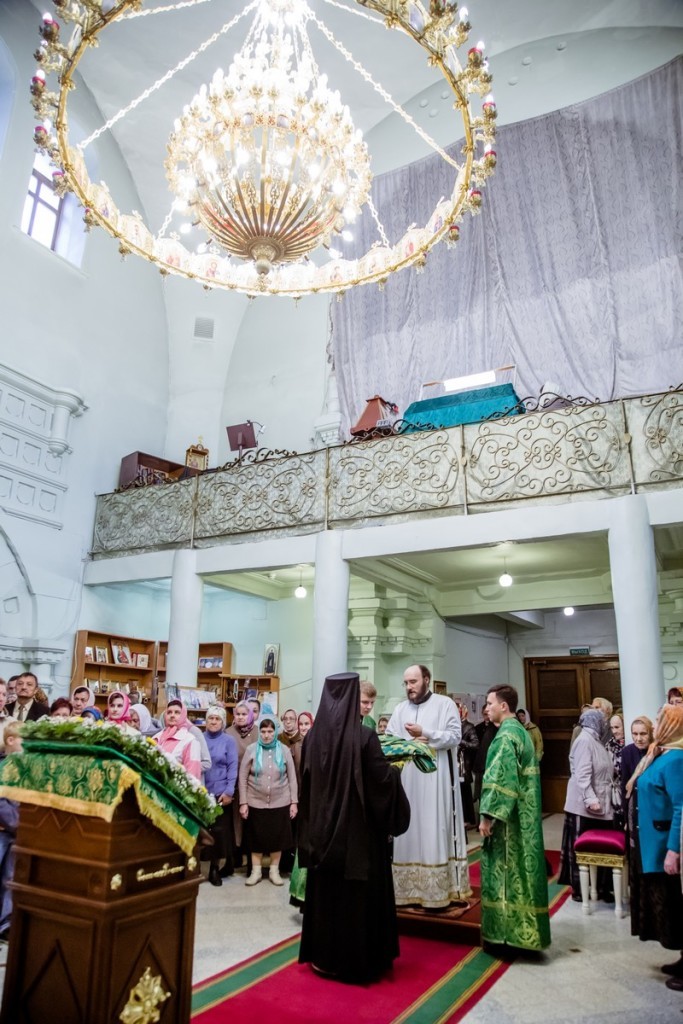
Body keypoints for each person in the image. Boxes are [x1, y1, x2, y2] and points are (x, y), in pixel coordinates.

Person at [298, 672, 410, 983]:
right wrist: (396, 769)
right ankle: (355, 961)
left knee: (326, 896)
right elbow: (381, 782)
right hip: (357, 836)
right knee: (356, 899)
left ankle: (323, 957)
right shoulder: (364, 737)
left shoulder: (312, 737)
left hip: (321, 834)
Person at [387, 664, 470, 907]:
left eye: (413, 681)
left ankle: (437, 893)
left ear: (426, 679)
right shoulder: (400, 709)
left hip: (436, 781)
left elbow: (455, 736)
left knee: (434, 827)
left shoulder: (444, 705)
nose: (409, 687)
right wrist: (408, 742)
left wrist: (427, 733)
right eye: (406, 683)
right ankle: (407, 891)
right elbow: (390, 740)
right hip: (408, 781)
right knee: (408, 828)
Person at [478, 684, 550, 952]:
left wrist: (488, 815)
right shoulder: (519, 731)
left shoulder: (506, 736)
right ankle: (526, 934)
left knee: (505, 874)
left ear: (503, 706)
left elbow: (500, 779)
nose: (487, 708)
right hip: (523, 814)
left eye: (489, 703)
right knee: (523, 873)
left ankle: (504, 938)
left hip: (508, 821)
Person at [627, 704, 683, 990]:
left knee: (677, 906)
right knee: (670, 907)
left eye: (661, 720)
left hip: (664, 846)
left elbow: (681, 807)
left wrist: (674, 850)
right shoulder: (662, 753)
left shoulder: (676, 759)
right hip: (650, 843)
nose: (657, 724)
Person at [558, 708, 614, 900]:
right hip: (584, 807)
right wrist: (591, 799)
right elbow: (582, 775)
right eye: (603, 721)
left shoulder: (595, 740)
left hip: (599, 803)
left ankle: (600, 887)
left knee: (599, 850)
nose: (605, 725)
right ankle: (580, 889)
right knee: (580, 851)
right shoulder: (584, 740)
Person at [239, 715, 298, 886]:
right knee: (256, 839)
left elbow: (292, 777)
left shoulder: (284, 750)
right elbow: (242, 778)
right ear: (260, 732)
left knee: (276, 838)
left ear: (275, 732)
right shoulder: (251, 749)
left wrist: (294, 802)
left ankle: (274, 871)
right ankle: (256, 872)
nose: (266, 735)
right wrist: (243, 802)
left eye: (270, 731)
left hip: (280, 802)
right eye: (263, 731)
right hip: (255, 802)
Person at [204, 706, 238, 886]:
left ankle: (214, 868)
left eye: (217, 719)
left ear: (223, 722)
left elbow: (232, 767)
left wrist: (229, 791)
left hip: (220, 793)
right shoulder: (199, 738)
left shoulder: (228, 741)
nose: (213, 722)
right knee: (204, 831)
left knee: (218, 833)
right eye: (211, 718)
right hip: (202, 791)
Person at [227, 701, 259, 872]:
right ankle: (235, 858)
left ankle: (252, 863)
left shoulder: (258, 732)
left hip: (254, 784)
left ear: (250, 715)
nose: (240, 717)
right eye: (238, 714)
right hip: (234, 783)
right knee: (235, 823)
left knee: (251, 823)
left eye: (244, 714)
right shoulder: (228, 732)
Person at [0, 722, 22, 942]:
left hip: (17, 832)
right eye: (24, 740)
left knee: (11, 877)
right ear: (10, 740)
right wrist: (15, 823)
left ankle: (6, 922)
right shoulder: (2, 767)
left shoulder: (26, 769)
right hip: (4, 829)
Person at [154, 699, 202, 780]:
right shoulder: (157, 737)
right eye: (169, 712)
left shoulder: (190, 741)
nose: (172, 715)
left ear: (183, 715)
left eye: (177, 712)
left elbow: (193, 773)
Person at [621, 715, 654, 808]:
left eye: (643, 734)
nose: (638, 739)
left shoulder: (658, 750)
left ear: (651, 733)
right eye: (635, 734)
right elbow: (625, 782)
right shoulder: (627, 751)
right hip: (635, 803)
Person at [456, 701, 478, 829]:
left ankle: (468, 819)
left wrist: (461, 742)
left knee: (465, 793)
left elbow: (475, 744)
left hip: (464, 765)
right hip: (454, 763)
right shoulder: (452, 726)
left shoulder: (469, 727)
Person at [473, 704, 497, 806]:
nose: (487, 716)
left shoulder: (496, 728)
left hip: (491, 763)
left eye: (488, 714)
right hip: (480, 763)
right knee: (480, 792)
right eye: (485, 714)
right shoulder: (478, 728)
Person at [607, 713, 626, 828]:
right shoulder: (610, 745)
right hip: (616, 791)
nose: (614, 731)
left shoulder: (632, 742)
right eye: (612, 728)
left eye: (617, 727)